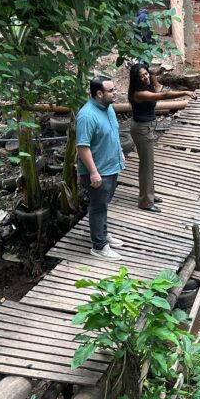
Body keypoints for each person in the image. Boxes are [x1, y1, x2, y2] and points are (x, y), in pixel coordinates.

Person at [128, 63, 198, 212]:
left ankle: (149, 195)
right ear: (136, 79)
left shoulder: (148, 85)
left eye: (146, 73)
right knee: (146, 166)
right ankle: (145, 202)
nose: (145, 77)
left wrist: (150, 72)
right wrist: (185, 92)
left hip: (146, 128)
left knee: (149, 165)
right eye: (141, 76)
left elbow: (155, 81)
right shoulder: (139, 93)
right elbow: (164, 95)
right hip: (142, 130)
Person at [76, 76, 125, 261]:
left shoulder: (108, 108)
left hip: (111, 166)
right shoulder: (87, 116)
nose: (115, 92)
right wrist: (93, 172)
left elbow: (113, 131)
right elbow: (82, 147)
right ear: (99, 94)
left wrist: (119, 151)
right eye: (111, 90)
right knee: (98, 207)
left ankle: (103, 235)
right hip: (98, 172)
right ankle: (99, 246)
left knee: (104, 205)